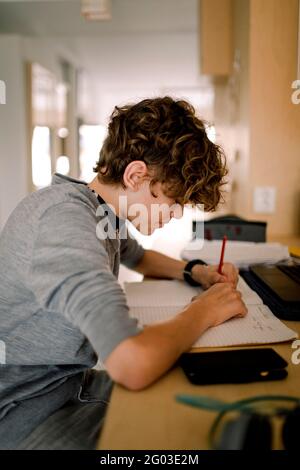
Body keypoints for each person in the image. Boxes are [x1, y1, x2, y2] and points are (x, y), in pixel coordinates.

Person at [0, 97, 246, 449]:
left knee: (192, 407)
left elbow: (139, 258)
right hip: (24, 416)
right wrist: (203, 311)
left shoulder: (99, 213)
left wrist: (196, 271)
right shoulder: (63, 223)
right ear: (135, 175)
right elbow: (131, 363)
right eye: (173, 201)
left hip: (71, 386)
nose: (175, 214)